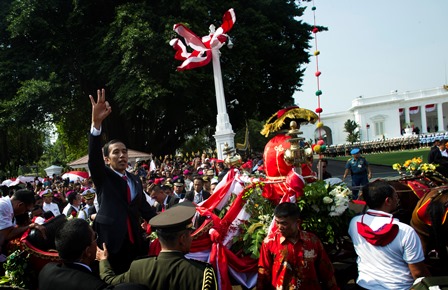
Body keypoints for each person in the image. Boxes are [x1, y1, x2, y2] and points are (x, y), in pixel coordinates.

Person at [88, 89, 156, 274]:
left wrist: (170, 224)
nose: (122, 155)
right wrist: (96, 124)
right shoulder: (103, 177)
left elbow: (146, 210)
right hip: (110, 244)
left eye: (124, 151)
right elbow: (93, 159)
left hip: (136, 243)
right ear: (107, 159)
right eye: (116, 152)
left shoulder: (134, 180)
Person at [97, 203, 218, 290]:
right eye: (190, 234)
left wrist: (103, 261)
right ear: (182, 239)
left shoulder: (138, 267)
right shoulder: (202, 273)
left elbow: (110, 280)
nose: (192, 238)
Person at [348, 181, 430, 289]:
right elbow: (418, 272)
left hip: (364, 286)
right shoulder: (406, 231)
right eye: (395, 196)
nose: (397, 200)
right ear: (388, 200)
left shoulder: (354, 223)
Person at [38, 219, 148, 290]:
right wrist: (104, 262)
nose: (97, 241)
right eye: (94, 237)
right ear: (87, 252)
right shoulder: (95, 286)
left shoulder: (46, 271)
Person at [257, 202, 338, 290]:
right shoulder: (269, 243)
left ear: (297, 222)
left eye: (284, 223)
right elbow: (263, 275)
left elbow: (327, 272)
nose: (279, 227)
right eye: (277, 222)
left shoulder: (312, 241)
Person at [0, 189, 45, 256]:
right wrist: (30, 226)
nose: (24, 213)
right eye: (26, 211)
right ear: (20, 205)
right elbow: (6, 236)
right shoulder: (3, 207)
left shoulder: (6, 205)